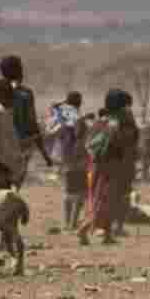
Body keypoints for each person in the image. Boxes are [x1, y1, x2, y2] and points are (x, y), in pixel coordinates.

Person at [77, 89, 139, 246]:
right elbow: (124, 143)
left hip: (98, 165)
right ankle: (84, 228)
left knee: (103, 199)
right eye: (126, 106)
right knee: (105, 200)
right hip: (111, 167)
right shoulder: (116, 124)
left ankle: (106, 234)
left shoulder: (101, 121)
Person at [0, 55, 53, 184]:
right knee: (12, 186)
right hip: (19, 148)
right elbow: (32, 124)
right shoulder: (25, 94)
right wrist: (44, 154)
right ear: (19, 71)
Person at [46, 91, 89, 229]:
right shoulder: (79, 119)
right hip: (79, 159)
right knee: (80, 193)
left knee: (69, 192)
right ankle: (72, 223)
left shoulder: (63, 120)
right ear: (80, 103)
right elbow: (81, 139)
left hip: (66, 159)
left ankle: (67, 222)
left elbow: (50, 133)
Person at [113, 91, 140, 237]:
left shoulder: (109, 118)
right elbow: (132, 137)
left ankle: (109, 225)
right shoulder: (126, 118)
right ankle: (118, 226)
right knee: (123, 194)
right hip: (124, 162)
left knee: (111, 194)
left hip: (111, 162)